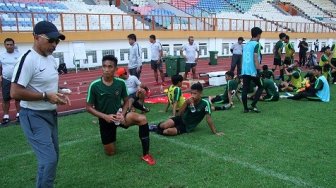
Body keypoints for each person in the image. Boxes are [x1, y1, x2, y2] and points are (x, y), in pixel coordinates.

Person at [10, 21, 70, 188]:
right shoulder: (28, 59)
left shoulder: (51, 60)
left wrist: (59, 93)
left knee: (52, 158)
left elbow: (47, 85)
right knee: (49, 160)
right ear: (36, 37)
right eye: (51, 40)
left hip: (50, 114)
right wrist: (45, 96)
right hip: (33, 115)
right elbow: (14, 92)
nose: (54, 45)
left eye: (57, 41)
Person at [86, 55, 156, 165]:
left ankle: (146, 154)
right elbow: (88, 107)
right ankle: (111, 136)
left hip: (120, 115)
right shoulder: (94, 85)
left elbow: (127, 101)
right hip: (105, 119)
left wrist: (122, 114)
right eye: (104, 66)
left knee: (142, 119)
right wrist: (105, 116)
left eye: (110, 67)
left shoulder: (120, 83)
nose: (106, 69)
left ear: (115, 68)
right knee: (110, 152)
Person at [155, 82, 223, 136]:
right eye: (191, 93)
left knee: (167, 131)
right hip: (180, 119)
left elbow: (208, 118)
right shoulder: (188, 100)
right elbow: (179, 114)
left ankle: (159, 130)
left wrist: (215, 132)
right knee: (164, 125)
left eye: (195, 93)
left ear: (200, 93)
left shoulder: (205, 103)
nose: (192, 95)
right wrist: (186, 103)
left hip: (187, 126)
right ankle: (155, 127)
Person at [241, 27, 264, 113]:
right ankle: (253, 105)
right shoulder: (256, 44)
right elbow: (255, 57)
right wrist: (258, 70)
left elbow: (243, 57)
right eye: (260, 34)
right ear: (258, 34)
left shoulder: (246, 44)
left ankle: (245, 108)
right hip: (253, 70)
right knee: (261, 86)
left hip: (245, 70)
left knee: (245, 89)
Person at [0, 38, 21, 125]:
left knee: (18, 98)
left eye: (11, 44)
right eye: (7, 44)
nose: (9, 46)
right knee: (5, 99)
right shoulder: (1, 55)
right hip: (6, 79)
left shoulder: (19, 54)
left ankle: (19, 115)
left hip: (17, 80)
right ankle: (6, 116)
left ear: (13, 45)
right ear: (4, 45)